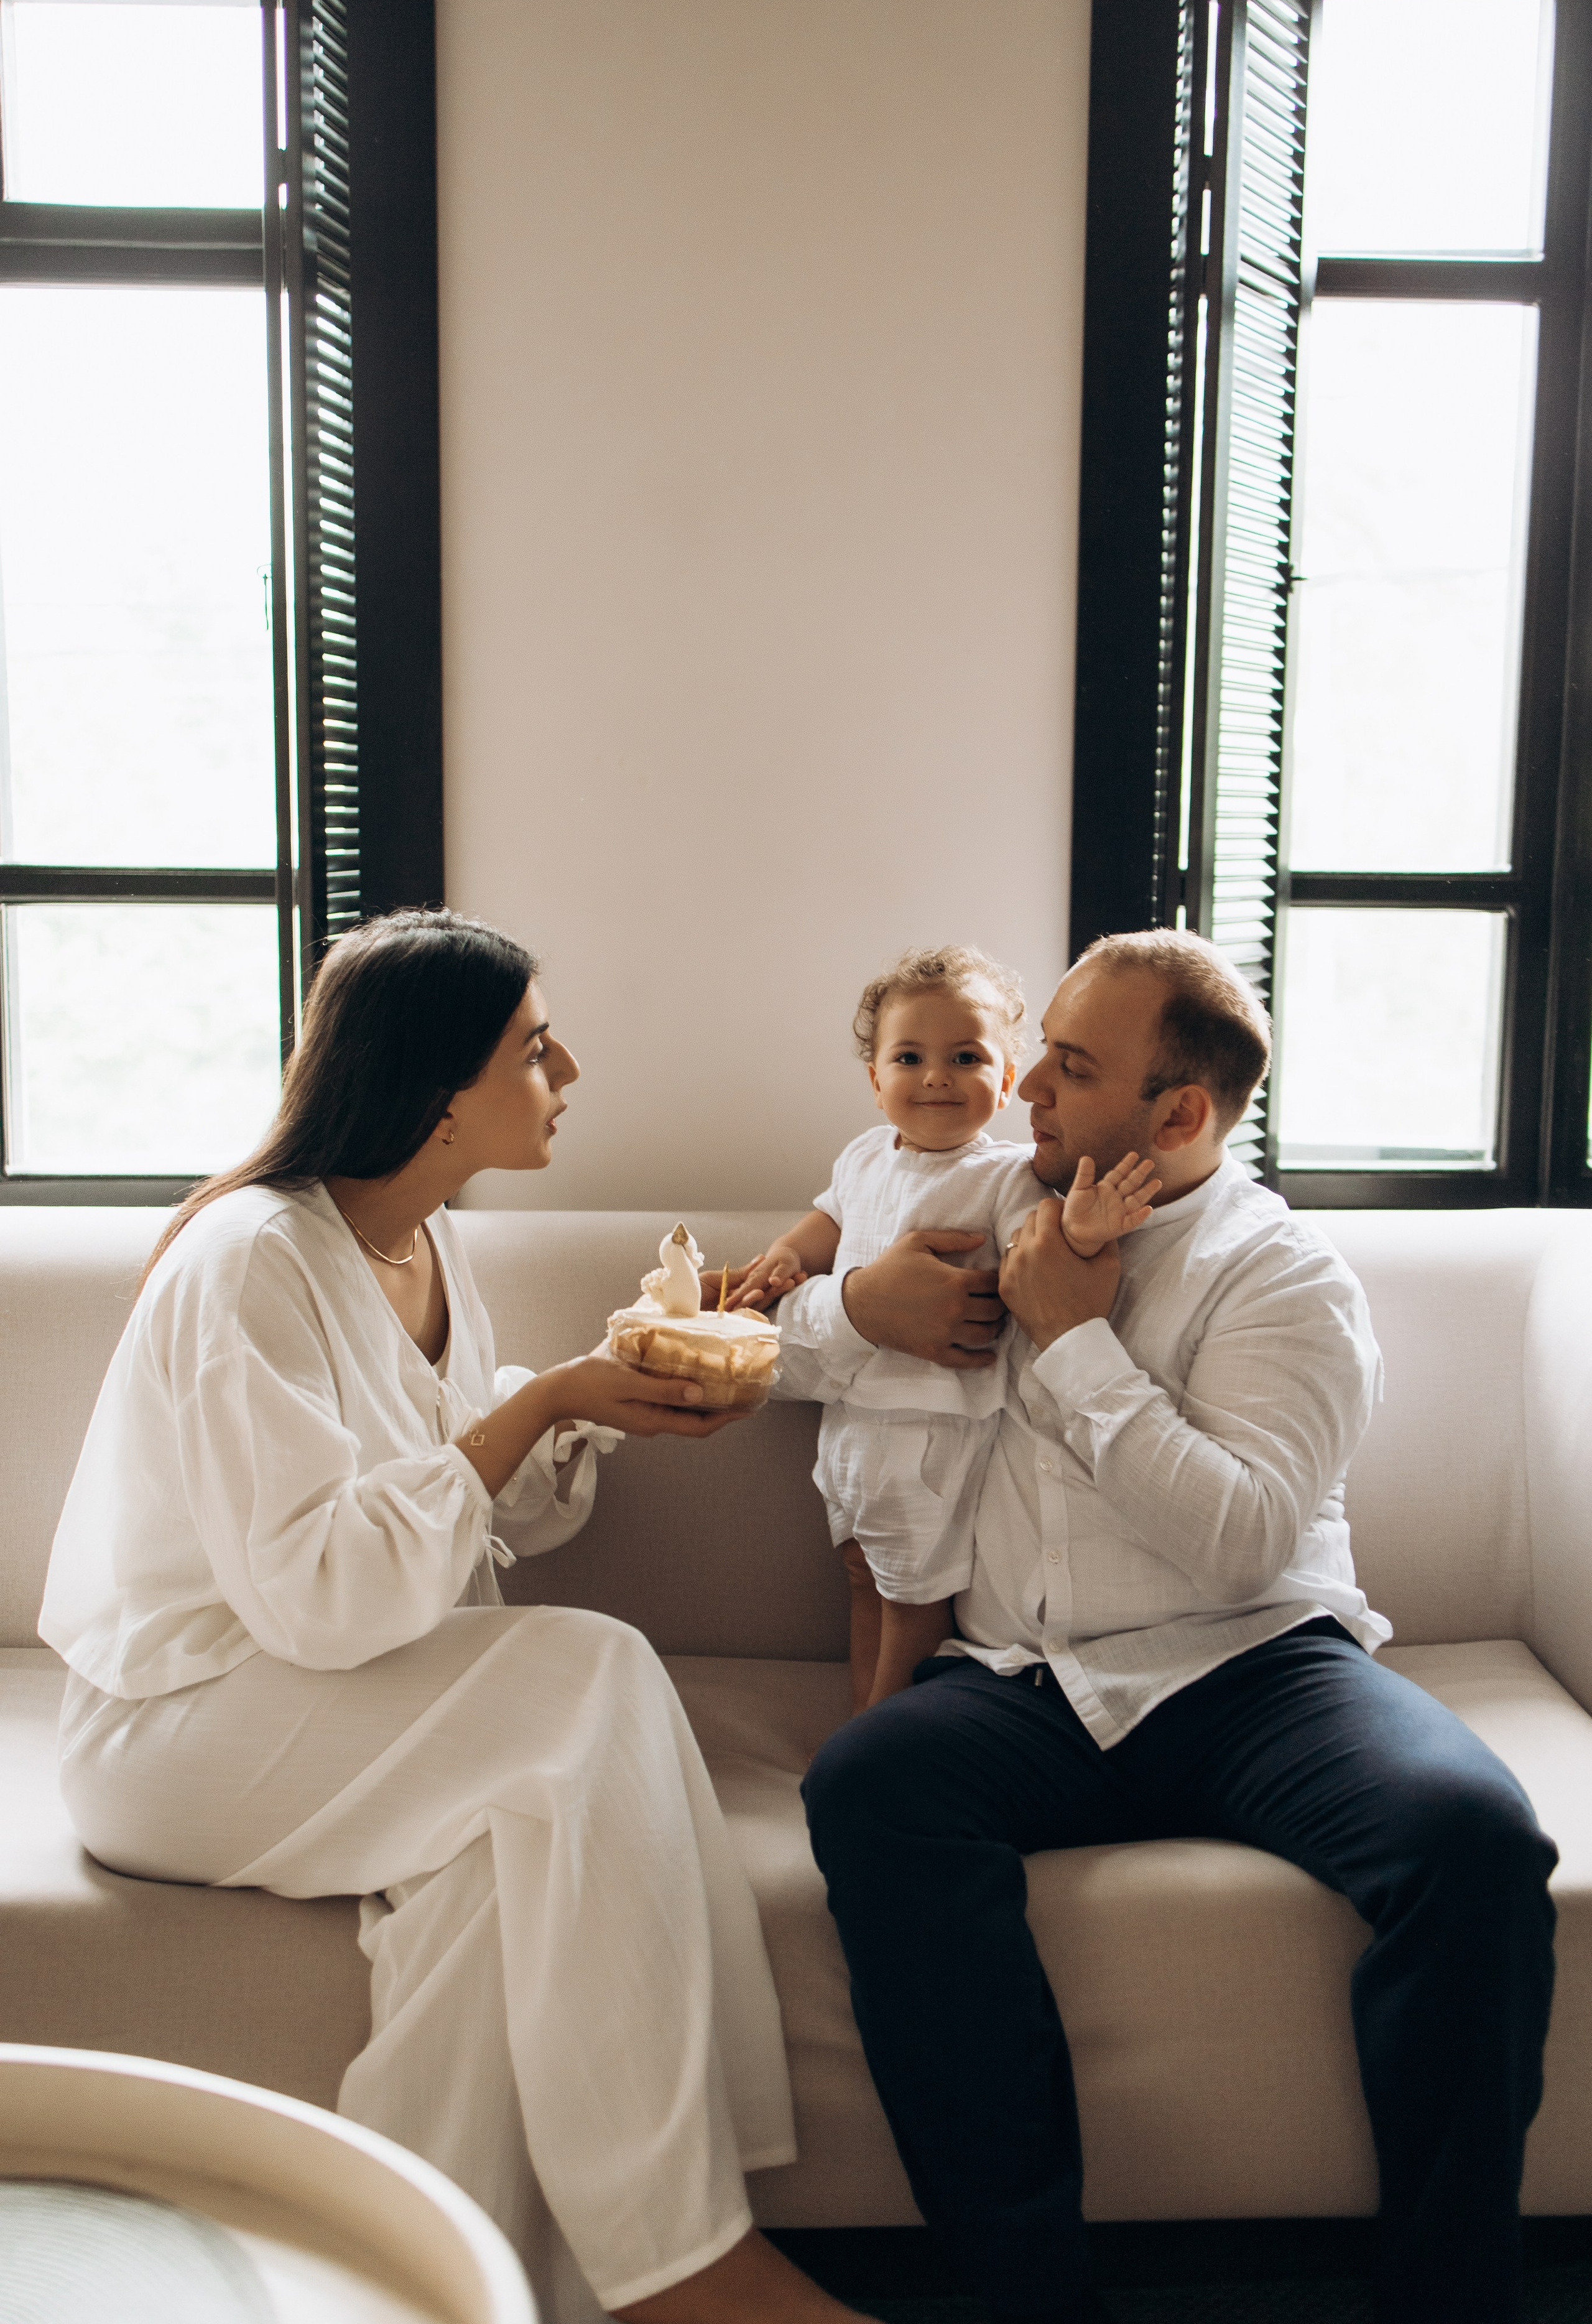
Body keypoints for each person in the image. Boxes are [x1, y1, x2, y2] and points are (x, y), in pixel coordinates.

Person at [38, 907, 865, 2324]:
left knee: (501, 1876)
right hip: (183, 1723)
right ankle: (682, 2262)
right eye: (535, 1047)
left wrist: (587, 1403)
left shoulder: (422, 1245)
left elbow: (485, 1525)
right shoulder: (250, 1257)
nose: (572, 1068)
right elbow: (324, 1590)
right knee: (590, 1669)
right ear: (435, 1085)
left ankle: (430, 2282)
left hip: (325, 1689)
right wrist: (538, 1402)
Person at [778, 929, 1557, 2324]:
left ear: (1178, 1114)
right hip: (1021, 1679)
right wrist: (848, 1304)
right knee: (867, 1788)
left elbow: (1246, 1533)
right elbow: (771, 1340)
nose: (1022, 1096)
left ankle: (1449, 2300)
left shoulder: (1281, 1277)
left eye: (1068, 1074)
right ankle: (1022, 2292)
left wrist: (1072, 1340)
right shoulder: (990, 1193)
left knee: (1473, 1839)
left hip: (1252, 1667)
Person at [730, 946, 1158, 1711]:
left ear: (1003, 1083)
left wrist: (1085, 1233)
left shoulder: (1003, 1176)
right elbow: (827, 1218)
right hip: (850, 1421)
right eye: (909, 1057)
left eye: (965, 1057)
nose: (936, 1076)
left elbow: (1041, 1256)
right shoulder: (865, 1156)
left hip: (934, 1429)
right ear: (875, 1081)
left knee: (913, 1597)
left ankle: (884, 1728)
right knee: (862, 1575)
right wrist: (784, 1259)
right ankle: (862, 1713)